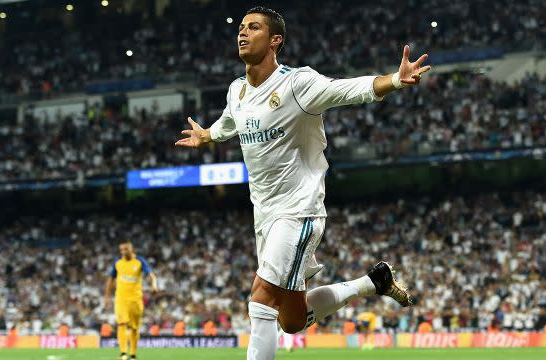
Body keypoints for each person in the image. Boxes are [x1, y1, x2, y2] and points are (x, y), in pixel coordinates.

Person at [176, 6, 429, 360]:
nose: (242, 33)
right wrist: (208, 135)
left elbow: (346, 90)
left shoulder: (297, 83)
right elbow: (230, 122)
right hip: (264, 217)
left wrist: (394, 80)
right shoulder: (237, 91)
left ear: (275, 40)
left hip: (298, 211)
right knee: (290, 321)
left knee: (261, 298)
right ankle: (373, 282)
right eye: (241, 28)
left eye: (254, 27)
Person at [104, 241, 158, 360]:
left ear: (131, 249)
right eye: (121, 250)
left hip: (135, 300)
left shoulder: (139, 261)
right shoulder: (117, 263)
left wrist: (154, 285)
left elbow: (151, 274)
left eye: (126, 249)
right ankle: (123, 354)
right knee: (121, 324)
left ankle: (132, 355)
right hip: (121, 299)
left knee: (134, 328)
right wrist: (107, 297)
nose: (123, 252)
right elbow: (110, 279)